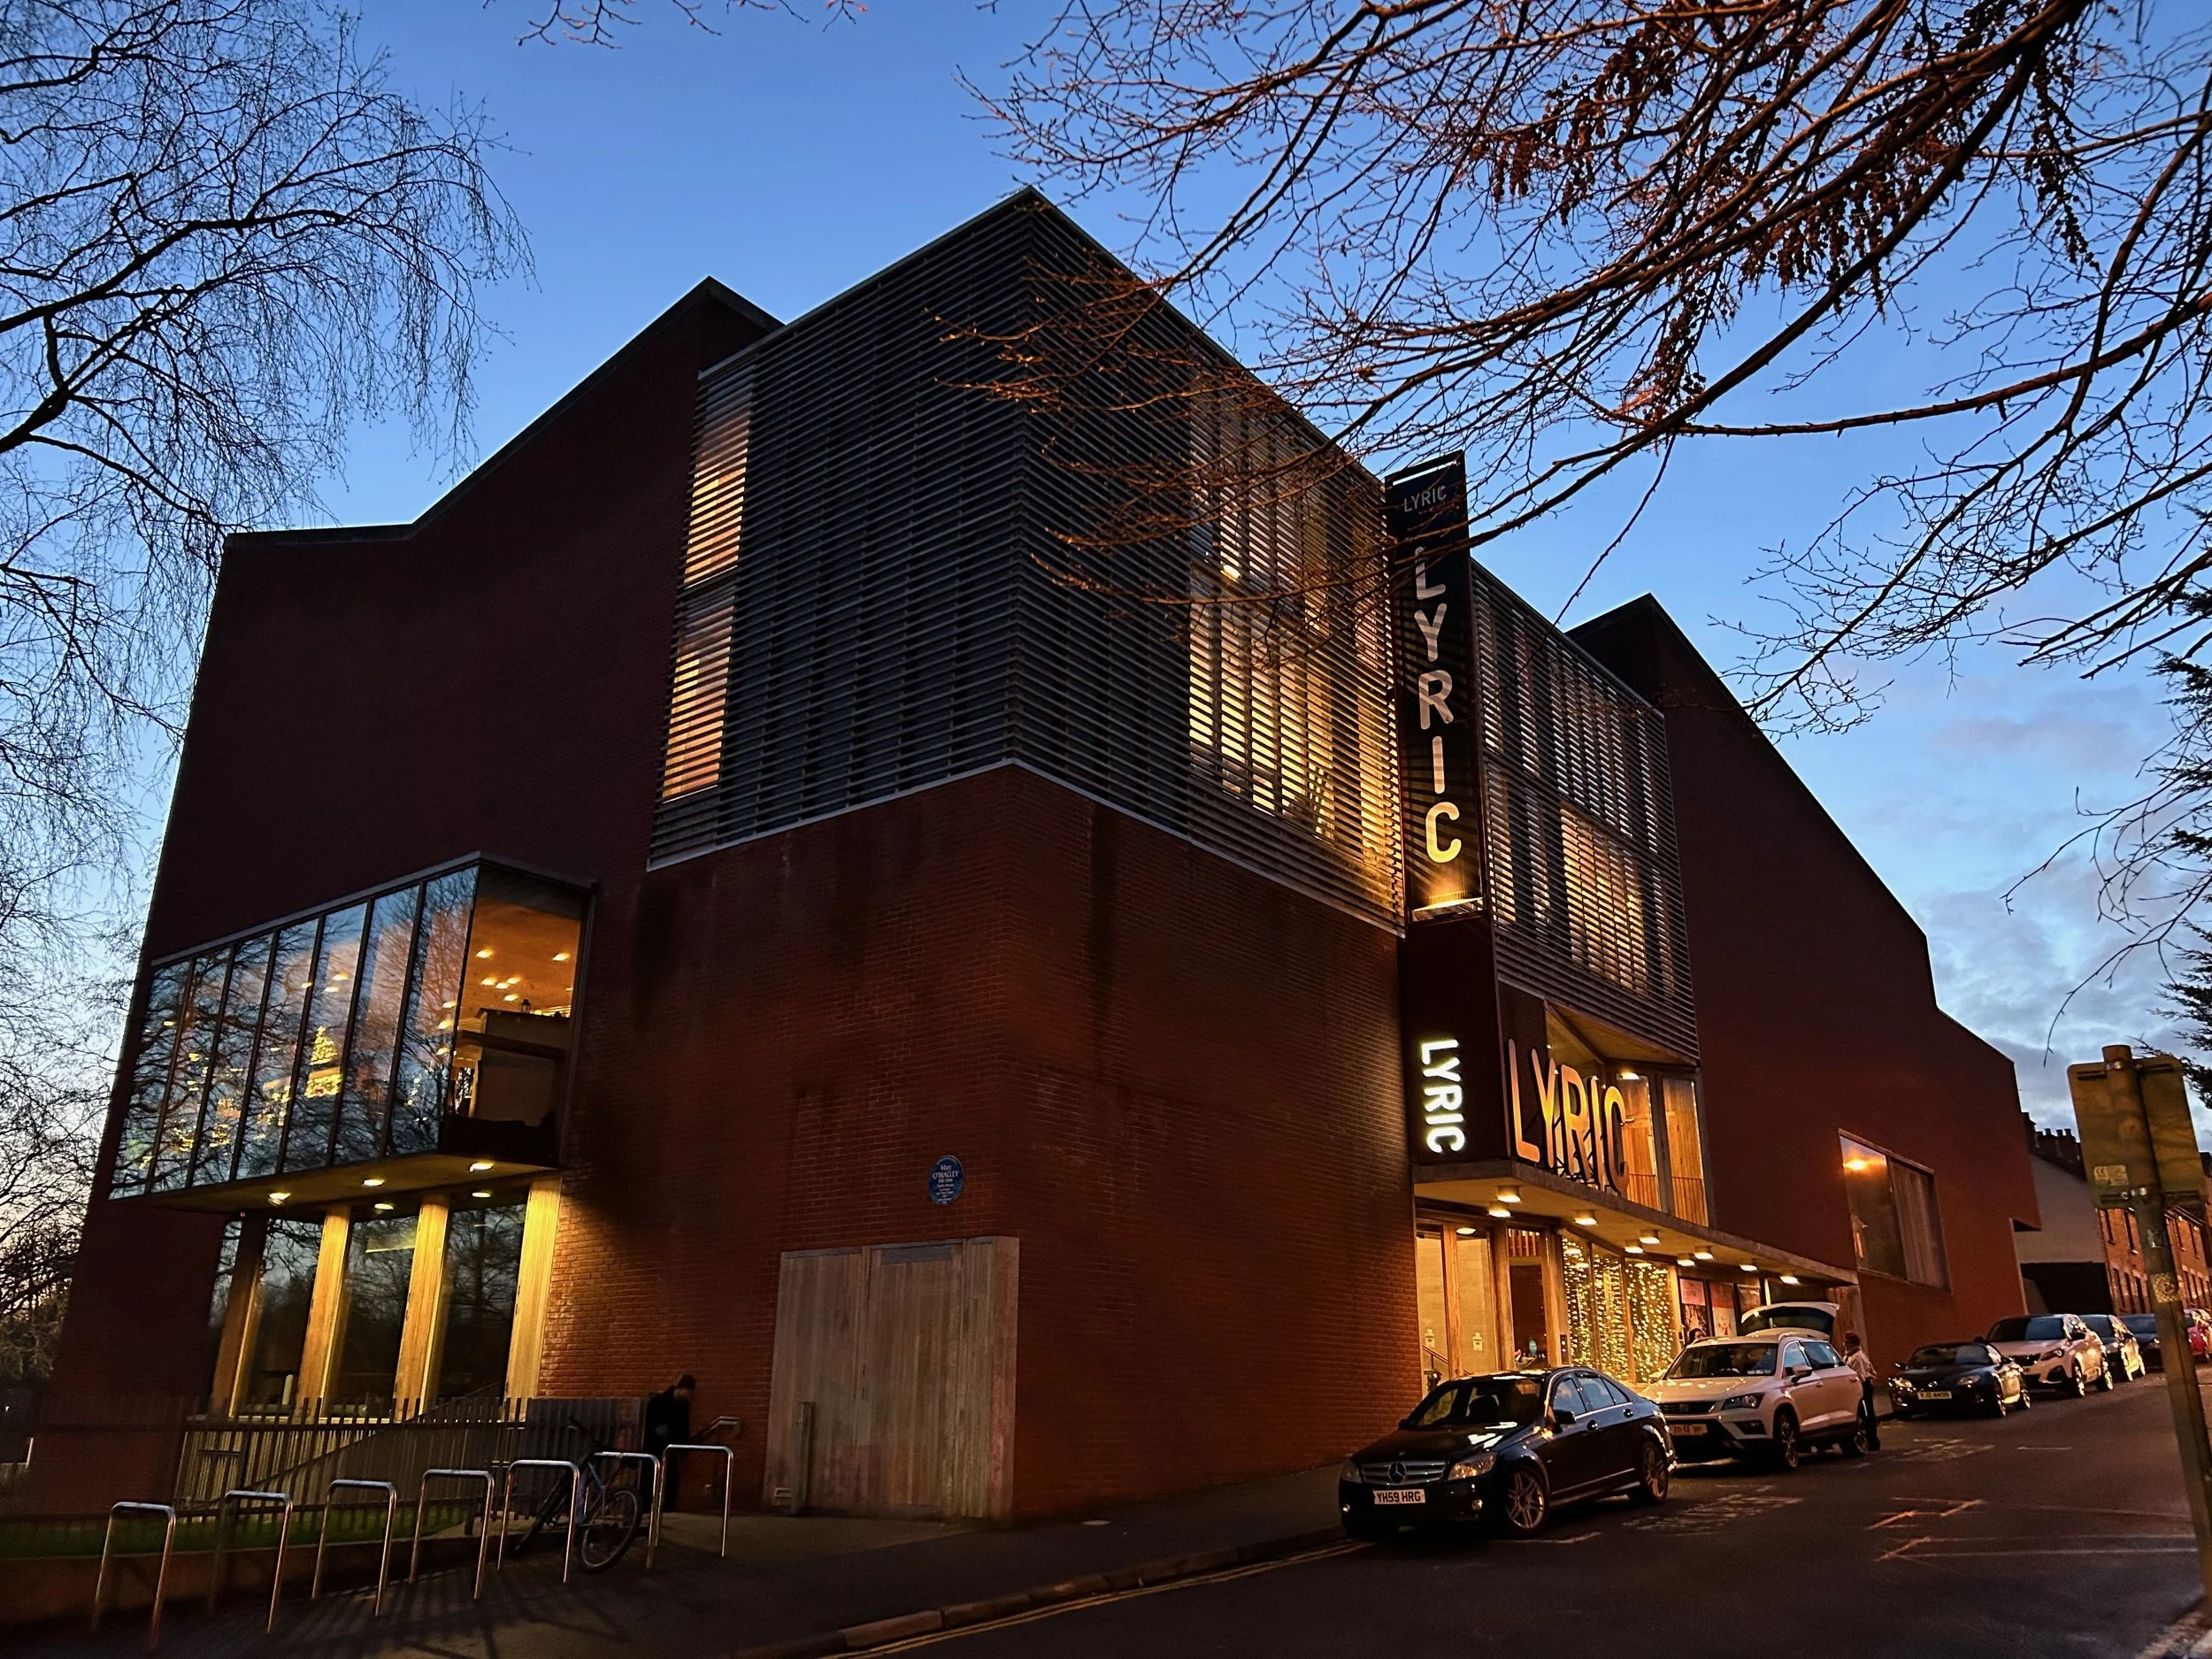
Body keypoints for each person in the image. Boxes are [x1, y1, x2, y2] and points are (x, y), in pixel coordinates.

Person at [1842, 1333, 1882, 1449]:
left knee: (1867, 1414)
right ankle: (1870, 1440)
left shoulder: (1857, 1357)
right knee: (1864, 1413)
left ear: (1853, 1343)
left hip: (1863, 1386)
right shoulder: (1849, 1356)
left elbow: (1860, 1375)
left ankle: (1873, 1440)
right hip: (1860, 1385)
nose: (1845, 1345)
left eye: (1847, 1343)